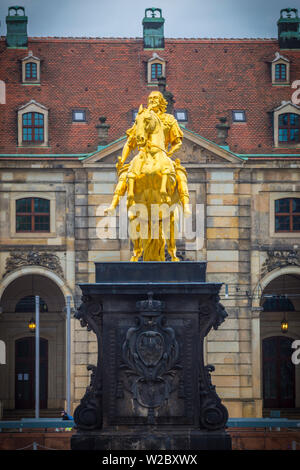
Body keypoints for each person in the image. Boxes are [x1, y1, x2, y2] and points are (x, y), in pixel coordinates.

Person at [106, 91, 190, 215]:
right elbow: (130, 142)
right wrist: (122, 160)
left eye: (155, 98)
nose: (152, 100)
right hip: (143, 154)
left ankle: (186, 206)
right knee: (125, 174)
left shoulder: (169, 119)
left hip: (162, 154)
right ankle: (113, 204)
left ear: (161, 101)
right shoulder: (141, 118)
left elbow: (177, 141)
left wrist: (170, 152)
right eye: (150, 98)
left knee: (180, 174)